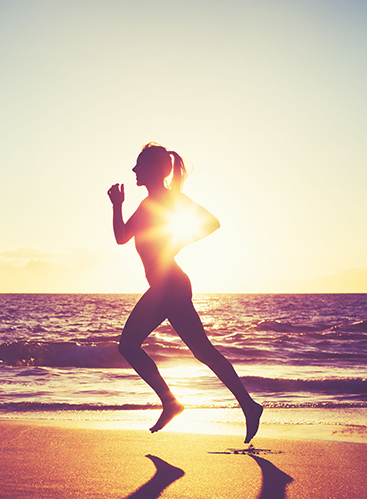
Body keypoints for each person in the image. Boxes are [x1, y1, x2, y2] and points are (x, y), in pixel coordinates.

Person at [107, 142, 263, 443]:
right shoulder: (144, 205)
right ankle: (248, 405)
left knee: (128, 345)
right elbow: (121, 238)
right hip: (167, 285)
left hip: (170, 284)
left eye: (138, 165)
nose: (133, 170)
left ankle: (171, 402)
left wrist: (176, 244)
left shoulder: (171, 199)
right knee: (203, 351)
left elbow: (211, 223)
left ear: (153, 168)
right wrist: (116, 205)